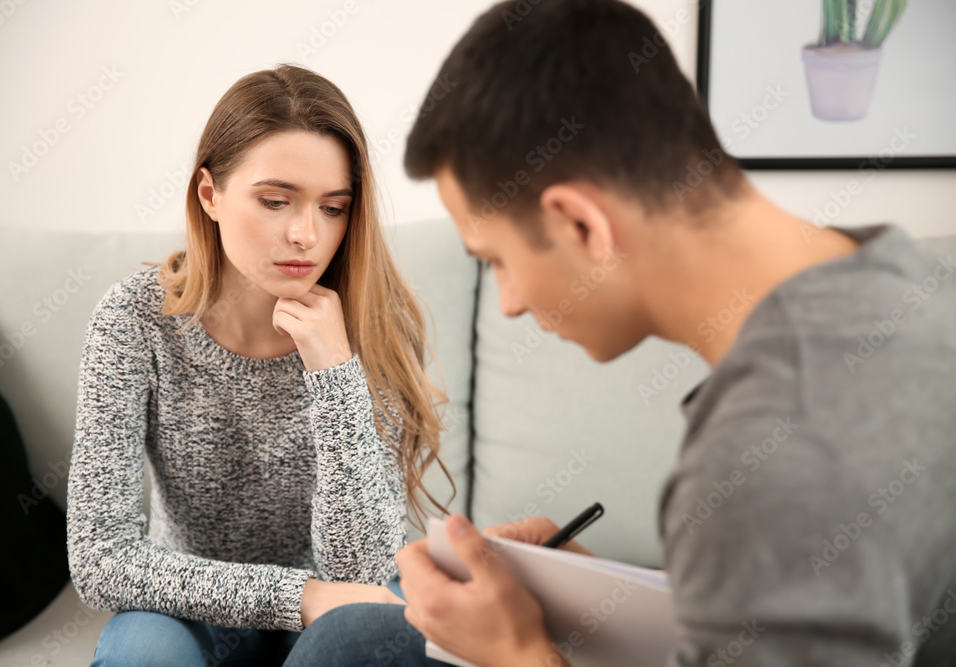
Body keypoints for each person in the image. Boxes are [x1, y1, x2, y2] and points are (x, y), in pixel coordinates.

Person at [388, 1, 956, 666]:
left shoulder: (772, 451)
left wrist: (516, 652)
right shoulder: (903, 280)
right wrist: (630, 592)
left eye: (497, 260)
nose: (507, 303)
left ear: (580, 226)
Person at [66, 63, 454, 666]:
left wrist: (335, 372)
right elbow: (100, 557)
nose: (305, 234)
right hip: (194, 600)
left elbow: (360, 574)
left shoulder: (373, 322)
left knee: (358, 640)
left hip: (339, 608)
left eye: (333, 207)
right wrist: (298, 597)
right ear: (209, 194)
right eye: (275, 201)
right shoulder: (133, 320)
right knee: (141, 654)